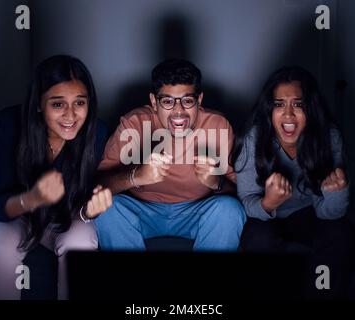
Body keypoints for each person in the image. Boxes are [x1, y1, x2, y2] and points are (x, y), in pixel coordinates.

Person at [0, 55, 112, 300]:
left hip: (64, 216)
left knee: (82, 241)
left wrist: (91, 210)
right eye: (58, 104)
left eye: (80, 103)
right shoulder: (7, 124)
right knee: (0, 246)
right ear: (39, 104)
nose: (71, 115)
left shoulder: (97, 132)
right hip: (14, 213)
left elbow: (83, 206)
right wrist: (32, 198)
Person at [85, 59, 246, 251]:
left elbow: (239, 193)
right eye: (168, 101)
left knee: (229, 210)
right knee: (107, 209)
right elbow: (99, 186)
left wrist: (216, 182)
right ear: (154, 102)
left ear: (199, 100)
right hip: (141, 210)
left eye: (187, 101)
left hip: (196, 211)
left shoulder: (218, 125)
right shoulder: (133, 123)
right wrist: (136, 176)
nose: (178, 111)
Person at [234, 66, 355, 298]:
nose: (289, 114)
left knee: (341, 233)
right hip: (263, 217)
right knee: (260, 240)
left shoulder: (328, 138)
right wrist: (269, 203)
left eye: (298, 105)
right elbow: (246, 202)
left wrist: (337, 192)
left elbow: (329, 213)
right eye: (279, 104)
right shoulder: (254, 138)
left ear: (310, 109)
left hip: (307, 214)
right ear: (269, 110)